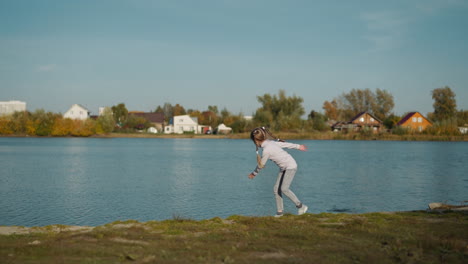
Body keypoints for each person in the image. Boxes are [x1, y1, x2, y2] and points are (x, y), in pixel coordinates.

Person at [248, 127, 308, 217]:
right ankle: (280, 212)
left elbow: (261, 165)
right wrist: (298, 146)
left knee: (284, 189)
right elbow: (286, 144)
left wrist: (254, 173)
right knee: (276, 189)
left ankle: (301, 206)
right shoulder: (270, 142)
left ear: (256, 141)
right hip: (284, 167)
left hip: (290, 166)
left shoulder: (266, 150)